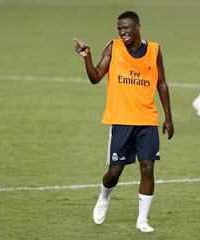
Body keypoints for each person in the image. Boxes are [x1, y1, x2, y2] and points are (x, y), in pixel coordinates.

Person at [74, 11, 174, 233]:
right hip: (121, 120)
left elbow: (162, 84)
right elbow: (95, 77)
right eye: (119, 29)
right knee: (114, 172)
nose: (122, 32)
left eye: (126, 28)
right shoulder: (113, 47)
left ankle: (142, 220)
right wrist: (87, 57)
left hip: (147, 120)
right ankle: (104, 195)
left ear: (138, 27)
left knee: (147, 168)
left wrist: (168, 117)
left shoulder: (155, 50)